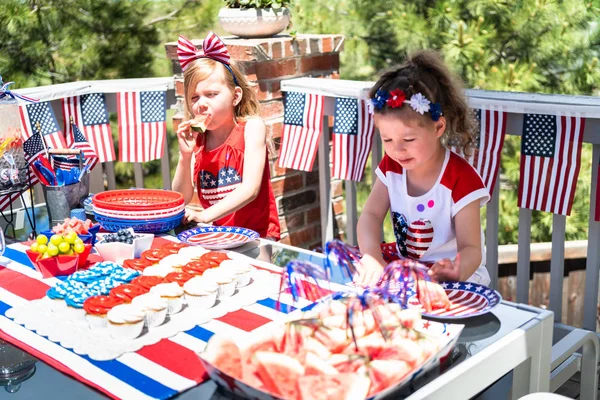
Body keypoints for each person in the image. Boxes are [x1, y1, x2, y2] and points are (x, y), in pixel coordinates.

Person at [355, 50, 490, 287]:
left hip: (452, 279)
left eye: (408, 140)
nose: (398, 150)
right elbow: (370, 216)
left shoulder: (461, 179)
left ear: (438, 127)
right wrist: (372, 258)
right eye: (387, 140)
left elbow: (472, 249)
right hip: (409, 274)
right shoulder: (392, 167)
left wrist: (455, 271)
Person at [172, 32, 280, 241]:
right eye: (194, 97)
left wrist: (205, 216)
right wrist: (185, 156)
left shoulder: (251, 128)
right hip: (221, 236)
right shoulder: (199, 142)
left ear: (235, 96)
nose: (201, 103)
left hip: (259, 237)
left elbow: (250, 189)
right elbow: (181, 197)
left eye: (211, 94)